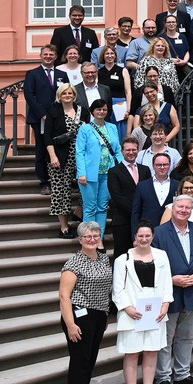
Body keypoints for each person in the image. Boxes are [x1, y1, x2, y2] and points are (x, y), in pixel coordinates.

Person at [151, 195, 193, 384]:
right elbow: (152, 264)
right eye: (180, 207)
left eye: (187, 207)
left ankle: (183, 374)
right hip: (170, 294)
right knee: (166, 338)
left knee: (186, 337)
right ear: (173, 208)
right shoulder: (159, 233)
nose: (183, 210)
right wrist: (171, 278)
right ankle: (163, 377)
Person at [112, 224, 172, 384]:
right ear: (135, 238)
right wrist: (127, 308)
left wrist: (165, 305)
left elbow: (167, 282)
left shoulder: (161, 255)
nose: (144, 239)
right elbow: (117, 289)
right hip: (133, 313)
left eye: (147, 235)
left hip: (155, 312)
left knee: (151, 351)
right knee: (132, 353)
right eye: (141, 236)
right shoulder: (123, 259)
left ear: (152, 236)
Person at [58, 221, 112, 384]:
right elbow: (64, 296)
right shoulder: (73, 263)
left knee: (90, 358)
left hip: (98, 314)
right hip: (78, 315)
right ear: (80, 239)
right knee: (79, 360)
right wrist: (71, 324)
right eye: (87, 237)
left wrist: (104, 315)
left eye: (95, 236)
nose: (92, 239)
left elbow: (105, 290)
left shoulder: (103, 259)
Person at [25, 44, 71, 196]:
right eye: (45, 54)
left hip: (58, 118)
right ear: (41, 56)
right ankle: (44, 182)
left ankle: (62, 179)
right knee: (41, 149)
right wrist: (42, 114)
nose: (48, 57)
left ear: (56, 57)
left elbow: (65, 93)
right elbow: (30, 96)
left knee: (59, 148)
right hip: (40, 119)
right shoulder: (32, 74)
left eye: (51, 54)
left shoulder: (62, 74)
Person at [75, 99, 120, 248]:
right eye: (98, 109)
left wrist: (119, 168)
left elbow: (118, 150)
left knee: (102, 207)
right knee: (90, 208)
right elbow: (79, 152)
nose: (101, 112)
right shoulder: (85, 128)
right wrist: (81, 173)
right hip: (89, 174)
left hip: (108, 173)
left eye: (104, 109)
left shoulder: (112, 127)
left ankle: (98, 239)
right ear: (93, 111)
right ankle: (88, 239)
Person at [46, 83, 85, 239]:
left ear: (74, 95)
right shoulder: (53, 111)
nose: (67, 96)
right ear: (59, 96)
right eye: (64, 93)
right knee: (61, 191)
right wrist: (52, 156)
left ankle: (78, 212)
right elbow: (47, 136)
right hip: (60, 157)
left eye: (70, 93)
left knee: (85, 188)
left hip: (80, 156)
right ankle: (64, 227)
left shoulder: (82, 111)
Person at [108, 138, 151, 257]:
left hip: (142, 222)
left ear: (138, 150)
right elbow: (117, 197)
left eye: (134, 149)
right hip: (123, 220)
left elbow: (148, 193)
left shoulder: (145, 170)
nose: (131, 152)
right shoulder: (113, 172)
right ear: (122, 151)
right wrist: (136, 211)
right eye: (128, 150)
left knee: (142, 254)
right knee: (122, 254)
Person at [130, 153, 180, 232]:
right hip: (147, 233)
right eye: (159, 165)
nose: (162, 167)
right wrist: (135, 236)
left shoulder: (178, 185)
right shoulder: (142, 186)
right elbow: (136, 213)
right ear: (153, 166)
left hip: (172, 231)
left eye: (165, 164)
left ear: (170, 165)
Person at [97, 46, 132, 140]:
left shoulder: (123, 71)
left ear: (115, 56)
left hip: (120, 105)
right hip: (104, 106)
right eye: (107, 53)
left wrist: (128, 109)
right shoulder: (98, 72)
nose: (109, 56)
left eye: (112, 53)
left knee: (120, 133)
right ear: (103, 56)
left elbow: (128, 91)